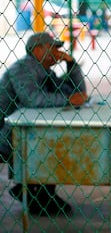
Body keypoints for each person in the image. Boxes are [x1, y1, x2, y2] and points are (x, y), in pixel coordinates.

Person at [0, 32, 88, 216]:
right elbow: (34, 99)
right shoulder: (23, 68)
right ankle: (37, 192)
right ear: (38, 49)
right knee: (48, 140)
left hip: (25, 132)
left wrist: (71, 64)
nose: (58, 52)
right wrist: (69, 100)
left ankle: (39, 193)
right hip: (6, 134)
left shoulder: (44, 71)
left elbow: (77, 92)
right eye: (53, 47)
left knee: (50, 137)